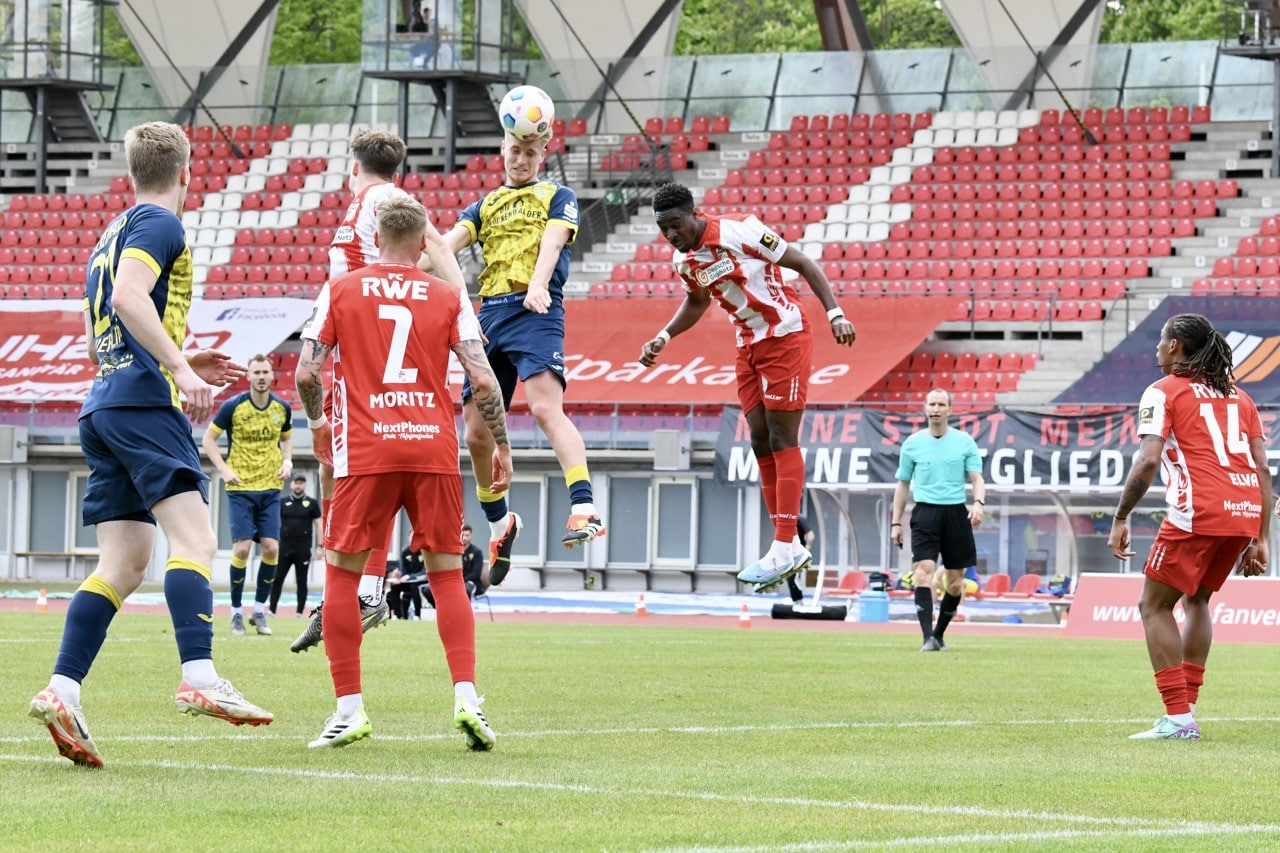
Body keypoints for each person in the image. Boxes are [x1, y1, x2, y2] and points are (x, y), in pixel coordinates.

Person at [28, 121, 274, 768]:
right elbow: (129, 297)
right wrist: (182, 372)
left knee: (125, 562)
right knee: (195, 542)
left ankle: (62, 687)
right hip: (142, 403)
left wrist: (181, 356)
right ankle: (198, 672)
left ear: (130, 170)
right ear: (187, 173)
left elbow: (97, 335)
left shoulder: (108, 234)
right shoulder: (160, 224)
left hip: (104, 403)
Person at [296, 192, 511, 750]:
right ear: (422, 244)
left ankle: (349, 710)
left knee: (342, 576)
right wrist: (502, 446)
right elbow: (483, 380)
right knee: (446, 576)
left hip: (366, 450)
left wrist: (320, 422)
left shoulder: (340, 289)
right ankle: (467, 699)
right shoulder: (447, 295)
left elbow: (305, 372)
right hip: (431, 450)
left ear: (374, 241)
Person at [639, 181, 856, 593]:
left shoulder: (742, 231)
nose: (670, 234)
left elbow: (805, 263)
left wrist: (836, 313)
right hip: (748, 345)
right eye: (663, 228)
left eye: (675, 224)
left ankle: (784, 544)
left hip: (786, 335)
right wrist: (663, 337)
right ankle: (786, 545)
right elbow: (699, 302)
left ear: (695, 213)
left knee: (781, 436)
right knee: (758, 440)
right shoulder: (684, 261)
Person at [424, 115, 606, 587]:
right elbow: (445, 248)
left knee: (546, 408)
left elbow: (553, 240)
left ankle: (584, 506)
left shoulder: (557, 196)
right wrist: (398, 267)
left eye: (531, 152)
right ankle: (501, 524)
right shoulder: (484, 205)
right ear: (503, 150)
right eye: (514, 150)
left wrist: (541, 284)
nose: (521, 159)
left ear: (542, 154)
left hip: (536, 309)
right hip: (488, 316)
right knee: (477, 435)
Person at [1107, 313, 1272, 741]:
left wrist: (1121, 517)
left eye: (1161, 341)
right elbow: (1262, 469)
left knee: (1153, 605)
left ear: (1176, 344)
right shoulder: (1240, 397)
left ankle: (1178, 718)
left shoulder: (1163, 391)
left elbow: (1146, 461)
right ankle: (1187, 710)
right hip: (1243, 510)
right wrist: (1261, 536)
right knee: (1197, 601)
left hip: (1196, 512)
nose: (1157, 349)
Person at [291, 128, 418, 654]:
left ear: (354, 166)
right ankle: (353, 592)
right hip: (351, 355)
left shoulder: (387, 199)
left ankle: (360, 591)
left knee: (361, 477)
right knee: (341, 474)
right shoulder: (369, 203)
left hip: (370, 356)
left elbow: (426, 255)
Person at [202, 354, 293, 636]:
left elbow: (287, 437)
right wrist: (223, 469)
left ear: (272, 376)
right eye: (256, 372)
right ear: (249, 376)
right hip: (240, 487)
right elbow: (208, 439)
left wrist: (287, 461)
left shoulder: (282, 408)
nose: (262, 376)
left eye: (266, 371)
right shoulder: (233, 407)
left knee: (271, 548)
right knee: (242, 549)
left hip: (269, 487)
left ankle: (259, 611)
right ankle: (236, 613)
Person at [890, 388, 986, 652]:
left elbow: (977, 478)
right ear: (925, 408)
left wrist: (978, 503)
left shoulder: (964, 441)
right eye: (931, 403)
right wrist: (896, 523)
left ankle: (939, 634)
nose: (936, 409)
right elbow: (902, 485)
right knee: (923, 572)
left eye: (941, 404)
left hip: (956, 513)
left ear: (949, 410)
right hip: (925, 513)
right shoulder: (912, 444)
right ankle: (926, 638)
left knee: (955, 582)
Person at [271, 473, 324, 617]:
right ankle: (271, 610)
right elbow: (273, 522)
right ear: (291, 484)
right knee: (277, 579)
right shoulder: (283, 502)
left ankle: (299, 612)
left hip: (303, 548)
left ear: (305, 485)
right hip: (284, 548)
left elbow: (319, 524)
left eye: (301, 483)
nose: (298, 485)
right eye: (296, 482)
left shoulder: (312, 503)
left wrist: (320, 546)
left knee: (302, 581)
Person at [425, 523, 488, 608]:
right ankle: (442, 609)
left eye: (467, 535)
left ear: (471, 536)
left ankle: (463, 612)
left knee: (465, 590)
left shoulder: (477, 552)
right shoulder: (452, 550)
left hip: (469, 582)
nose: (465, 538)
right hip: (452, 581)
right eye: (463, 535)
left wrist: (461, 580)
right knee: (428, 590)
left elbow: (476, 573)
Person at [387, 544, 427, 620]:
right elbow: (403, 569)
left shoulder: (424, 551)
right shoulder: (405, 551)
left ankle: (417, 615)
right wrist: (399, 574)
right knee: (394, 585)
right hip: (407, 581)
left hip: (422, 581)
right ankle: (397, 615)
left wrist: (409, 577)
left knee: (414, 586)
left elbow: (424, 572)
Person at [785, 515, 816, 606]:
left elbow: (811, 535)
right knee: (789, 577)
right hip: (789, 553)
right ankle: (795, 600)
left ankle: (799, 601)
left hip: (798, 553)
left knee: (794, 578)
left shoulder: (799, 519)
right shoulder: (785, 520)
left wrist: (806, 550)